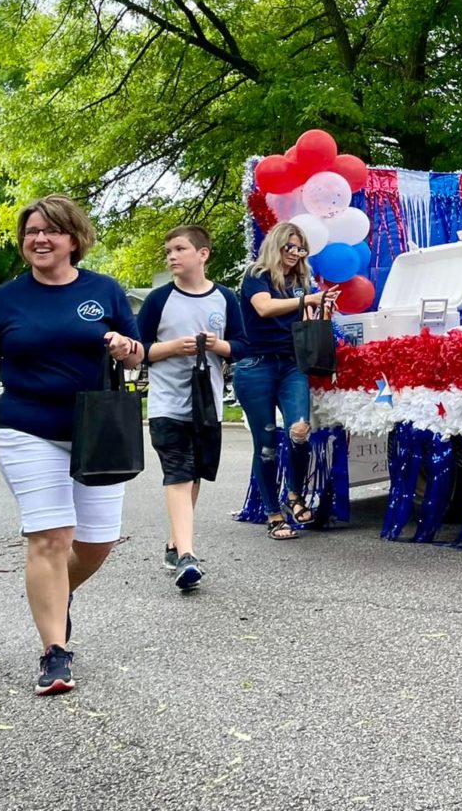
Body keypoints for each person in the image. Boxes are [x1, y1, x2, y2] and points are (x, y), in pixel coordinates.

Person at [0, 196, 143, 696]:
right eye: (31, 231)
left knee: (96, 543)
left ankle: (53, 593)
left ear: (75, 239)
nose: (40, 239)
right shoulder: (3, 301)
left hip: (96, 436)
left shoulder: (105, 291)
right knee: (50, 538)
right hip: (27, 429)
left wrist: (125, 347)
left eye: (52, 231)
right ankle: (55, 652)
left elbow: (138, 358)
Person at [137, 225, 246, 591]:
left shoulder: (226, 298)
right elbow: (138, 352)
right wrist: (172, 348)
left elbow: (244, 346)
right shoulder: (157, 300)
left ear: (202, 254)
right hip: (167, 403)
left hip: (207, 403)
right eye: (168, 250)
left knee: (194, 474)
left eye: (179, 249)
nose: (171, 256)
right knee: (179, 472)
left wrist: (220, 346)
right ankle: (187, 555)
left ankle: (173, 543)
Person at [233, 222, 338, 541]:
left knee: (300, 430)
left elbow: (305, 323)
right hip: (255, 365)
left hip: (292, 364)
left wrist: (322, 309)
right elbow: (264, 308)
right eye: (289, 247)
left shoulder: (301, 281)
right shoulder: (256, 274)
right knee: (265, 445)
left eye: (300, 248)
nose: (294, 254)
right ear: (276, 245)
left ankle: (294, 494)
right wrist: (307, 300)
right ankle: (273, 514)